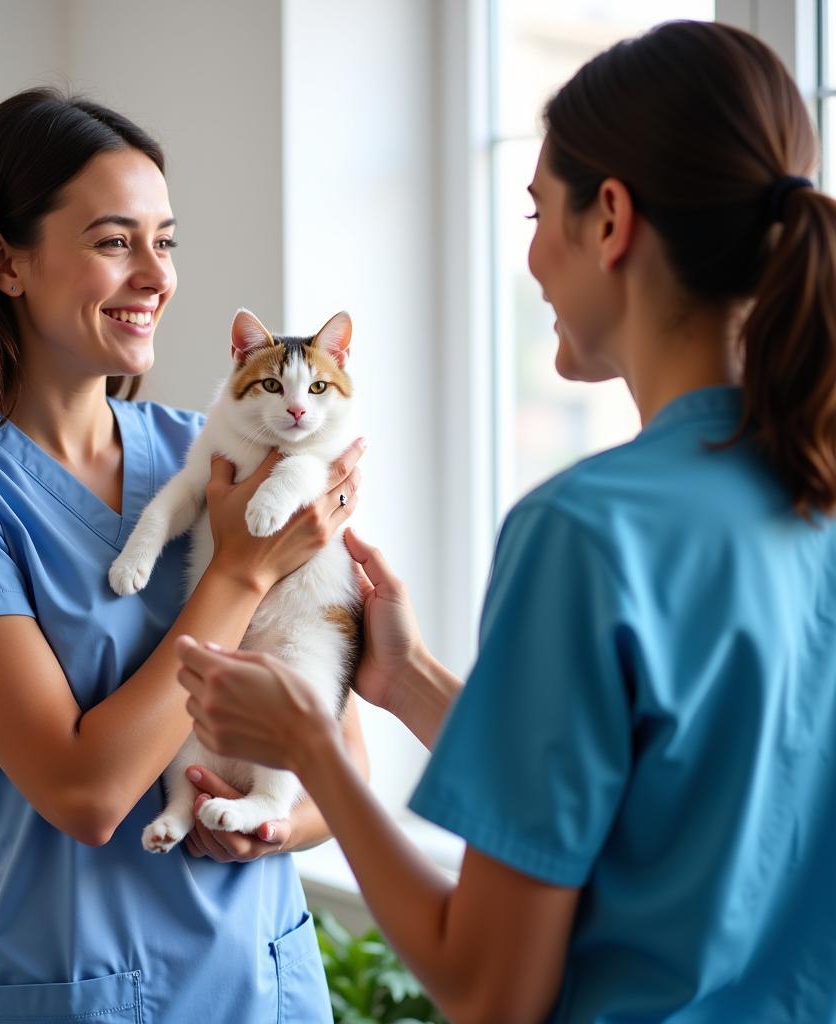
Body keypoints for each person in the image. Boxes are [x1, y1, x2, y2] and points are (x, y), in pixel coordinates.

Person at [175, 20, 836, 1024]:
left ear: (609, 219)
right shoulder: (809, 493)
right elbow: (676, 812)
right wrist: (408, 683)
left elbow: (490, 990)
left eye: (534, 210)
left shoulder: (586, 532)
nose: (528, 257)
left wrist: (312, 747)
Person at [0, 88, 367, 1023]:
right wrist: (240, 571)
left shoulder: (212, 449)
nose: (155, 276)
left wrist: (273, 827)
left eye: (165, 241)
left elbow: (342, 768)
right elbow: (86, 793)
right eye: (114, 241)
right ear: (6, 261)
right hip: (81, 987)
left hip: (268, 986)